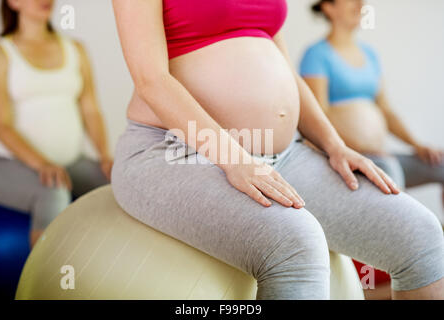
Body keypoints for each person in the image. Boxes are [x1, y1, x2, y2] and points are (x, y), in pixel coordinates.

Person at [110, 0, 444, 299]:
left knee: (420, 236)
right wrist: (233, 157)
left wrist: (334, 144)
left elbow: (285, 69)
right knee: (296, 244)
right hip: (175, 151)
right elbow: (151, 79)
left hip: (283, 156)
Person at [300, 0, 444, 210]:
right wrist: (361, 147)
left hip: (379, 154)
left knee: (440, 165)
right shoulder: (316, 55)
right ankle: (401, 237)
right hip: (347, 159)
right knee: (388, 170)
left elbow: (385, 110)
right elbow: (317, 116)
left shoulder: (370, 54)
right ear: (328, 7)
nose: (360, 4)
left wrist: (416, 145)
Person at [0, 0, 112, 248]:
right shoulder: (0, 53)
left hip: (70, 162)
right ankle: (49, 283)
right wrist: (43, 164)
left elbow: (90, 109)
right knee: (53, 192)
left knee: (119, 185)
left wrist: (105, 156)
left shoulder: (76, 49)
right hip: (8, 165)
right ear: (12, 3)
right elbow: (1, 124)